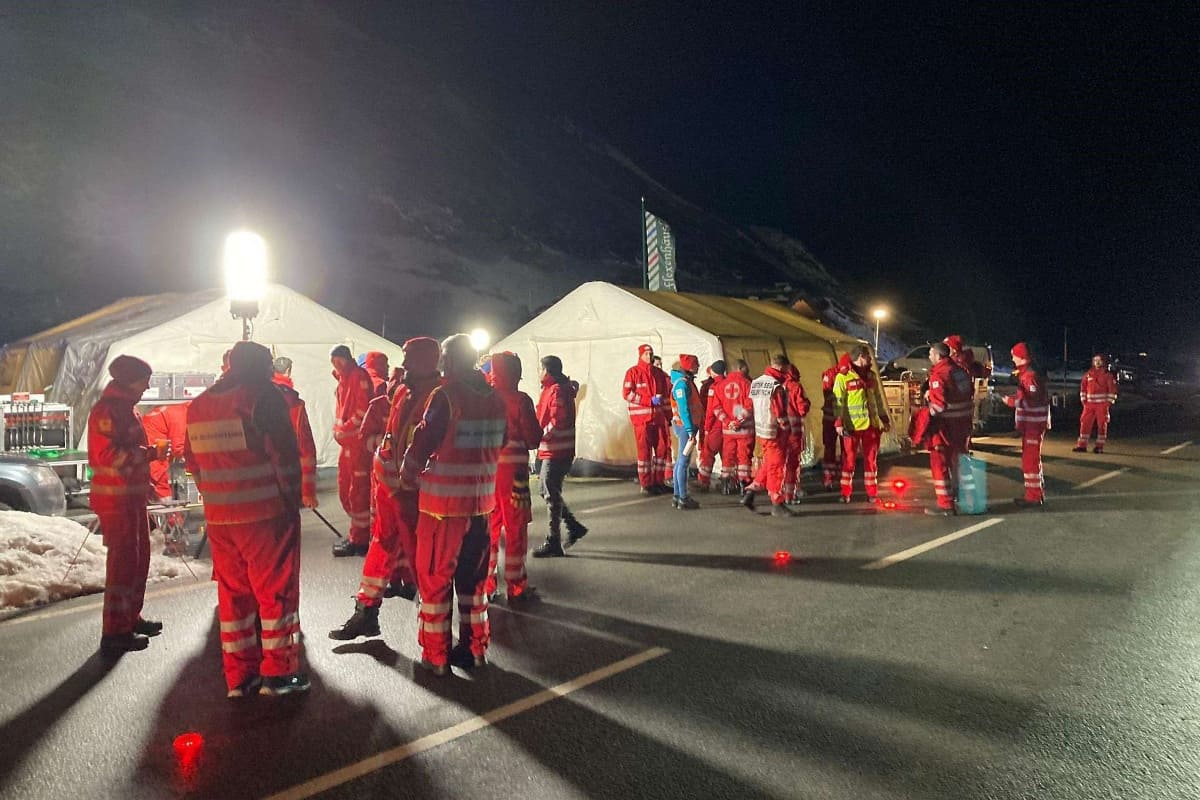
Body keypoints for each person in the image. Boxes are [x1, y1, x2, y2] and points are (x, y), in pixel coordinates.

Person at [185, 341, 307, 697]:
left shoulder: (200, 404)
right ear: (259, 366)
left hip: (221, 518)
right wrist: (291, 498)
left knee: (234, 597)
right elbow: (284, 455)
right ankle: (280, 674)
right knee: (276, 595)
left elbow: (191, 460)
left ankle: (239, 677)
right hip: (266, 516)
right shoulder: (263, 397)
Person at [398, 334, 507, 674]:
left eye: (445, 357)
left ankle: (436, 657)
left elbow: (422, 442)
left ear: (454, 360)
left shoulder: (444, 397)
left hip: (442, 510)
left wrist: (408, 474)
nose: (442, 363)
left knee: (434, 580)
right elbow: (500, 442)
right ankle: (474, 650)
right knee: (473, 586)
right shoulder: (496, 399)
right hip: (481, 508)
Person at [329, 337, 442, 640]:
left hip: (416, 494)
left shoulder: (439, 396)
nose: (403, 364)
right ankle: (366, 612)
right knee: (381, 547)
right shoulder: (403, 390)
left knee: (424, 562)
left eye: (408, 358)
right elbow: (392, 435)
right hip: (391, 491)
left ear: (426, 360)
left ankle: (435, 635)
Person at [89, 355, 162, 655]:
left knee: (138, 560)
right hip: (115, 500)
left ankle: (131, 616)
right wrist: (147, 454)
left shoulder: (126, 410)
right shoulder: (108, 412)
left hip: (131, 497)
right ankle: (115, 631)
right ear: (128, 380)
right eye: (143, 381)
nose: (146, 387)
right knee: (122, 567)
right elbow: (107, 456)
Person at [485, 352, 542, 601]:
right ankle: (516, 586)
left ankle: (486, 585)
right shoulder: (520, 400)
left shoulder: (483, 398)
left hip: (487, 474)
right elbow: (532, 438)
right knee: (516, 528)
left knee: (488, 529)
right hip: (515, 475)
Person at [532, 355, 586, 557]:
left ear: (547, 370)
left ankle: (554, 540)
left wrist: (538, 435)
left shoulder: (556, 391)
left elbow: (557, 421)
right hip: (555, 449)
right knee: (548, 490)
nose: (539, 372)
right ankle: (572, 526)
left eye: (540, 369)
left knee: (549, 492)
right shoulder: (553, 389)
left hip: (556, 449)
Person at [921, 342, 975, 516]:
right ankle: (969, 500)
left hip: (946, 428)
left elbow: (939, 406)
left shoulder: (939, 375)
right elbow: (967, 394)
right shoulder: (961, 371)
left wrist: (924, 412)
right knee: (960, 461)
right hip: (963, 426)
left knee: (940, 463)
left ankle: (945, 504)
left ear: (938, 356)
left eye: (930, 353)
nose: (929, 357)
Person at [741, 354, 797, 517]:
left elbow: (748, 406)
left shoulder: (756, 383)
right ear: (781, 367)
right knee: (776, 467)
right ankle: (776, 502)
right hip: (775, 433)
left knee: (768, 464)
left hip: (761, 432)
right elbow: (778, 411)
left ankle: (750, 492)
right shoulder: (776, 386)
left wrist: (737, 421)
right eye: (787, 369)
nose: (788, 372)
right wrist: (787, 428)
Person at [833, 346, 891, 503]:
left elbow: (878, 399)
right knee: (849, 461)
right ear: (860, 357)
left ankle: (872, 493)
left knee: (871, 461)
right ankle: (845, 493)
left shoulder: (871, 376)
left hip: (871, 426)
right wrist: (838, 423)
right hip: (851, 427)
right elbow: (837, 402)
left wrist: (884, 418)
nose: (871, 360)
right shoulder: (842, 377)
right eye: (868, 357)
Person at [330, 344, 373, 556]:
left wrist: (343, 431)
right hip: (348, 444)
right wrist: (339, 431)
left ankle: (361, 538)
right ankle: (358, 534)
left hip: (357, 444)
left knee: (358, 492)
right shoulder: (343, 380)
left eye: (339, 361)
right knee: (347, 489)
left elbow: (362, 411)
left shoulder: (358, 377)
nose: (337, 365)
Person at [1004, 342, 1050, 507]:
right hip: (1031, 424)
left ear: (1021, 357)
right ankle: (1036, 492)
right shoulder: (1026, 374)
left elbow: (1029, 401)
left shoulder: (1029, 376)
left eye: (1014, 355)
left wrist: (1009, 401)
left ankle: (1034, 496)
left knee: (1030, 461)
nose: (1012, 358)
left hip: (1033, 425)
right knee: (1031, 459)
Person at [272, 356, 319, 509]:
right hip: (289, 479)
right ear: (289, 371)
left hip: (259, 487)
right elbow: (307, 449)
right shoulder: (294, 403)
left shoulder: (252, 398)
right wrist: (308, 491)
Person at [622, 344, 670, 495]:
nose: (649, 356)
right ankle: (646, 484)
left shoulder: (659, 373)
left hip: (659, 418)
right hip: (642, 420)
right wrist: (649, 401)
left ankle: (659, 481)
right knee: (644, 453)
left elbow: (666, 396)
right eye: (646, 354)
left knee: (662, 450)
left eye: (651, 354)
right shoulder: (633, 372)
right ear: (640, 355)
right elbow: (627, 394)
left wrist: (669, 417)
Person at [714, 358, 754, 491]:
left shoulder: (720, 385)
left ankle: (726, 485)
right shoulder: (748, 384)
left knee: (728, 457)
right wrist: (738, 421)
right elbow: (749, 407)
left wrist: (727, 422)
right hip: (744, 430)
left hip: (728, 430)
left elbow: (716, 408)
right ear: (741, 368)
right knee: (744, 458)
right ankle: (744, 485)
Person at [669, 355, 703, 510]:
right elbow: (683, 409)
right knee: (683, 463)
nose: (698, 366)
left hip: (684, 427)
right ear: (689, 367)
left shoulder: (684, 382)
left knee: (680, 463)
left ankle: (677, 496)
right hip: (685, 427)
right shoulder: (682, 385)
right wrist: (690, 430)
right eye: (696, 365)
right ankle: (683, 498)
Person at [141, 400, 189, 500]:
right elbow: (178, 448)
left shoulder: (179, 409)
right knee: (159, 481)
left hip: (153, 443)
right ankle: (170, 514)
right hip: (156, 448)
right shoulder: (180, 414)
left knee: (157, 481)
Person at [782, 363, 812, 504]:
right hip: (794, 430)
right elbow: (802, 409)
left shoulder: (776, 386)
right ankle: (792, 491)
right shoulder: (796, 387)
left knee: (780, 461)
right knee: (793, 463)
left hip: (779, 431)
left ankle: (780, 490)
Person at [819, 354, 850, 491]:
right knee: (832, 449)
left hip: (838, 418)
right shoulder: (831, 374)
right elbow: (828, 393)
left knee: (845, 450)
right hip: (833, 418)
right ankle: (829, 478)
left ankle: (840, 478)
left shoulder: (837, 374)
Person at [1076, 354, 1118, 453]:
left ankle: (1099, 446)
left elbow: (1112, 390)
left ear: (1103, 362)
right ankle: (1082, 445)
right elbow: (1083, 388)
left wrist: (1107, 403)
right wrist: (1084, 401)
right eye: (1095, 360)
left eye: (1099, 360)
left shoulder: (1108, 375)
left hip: (1102, 405)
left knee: (1101, 425)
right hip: (1089, 405)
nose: (1097, 362)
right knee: (1085, 423)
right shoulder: (1088, 374)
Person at [696, 360, 726, 492]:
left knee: (707, 453)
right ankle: (728, 482)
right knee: (728, 455)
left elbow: (710, 410)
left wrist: (707, 428)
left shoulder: (713, 387)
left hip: (716, 426)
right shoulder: (729, 384)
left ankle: (703, 481)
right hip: (729, 426)